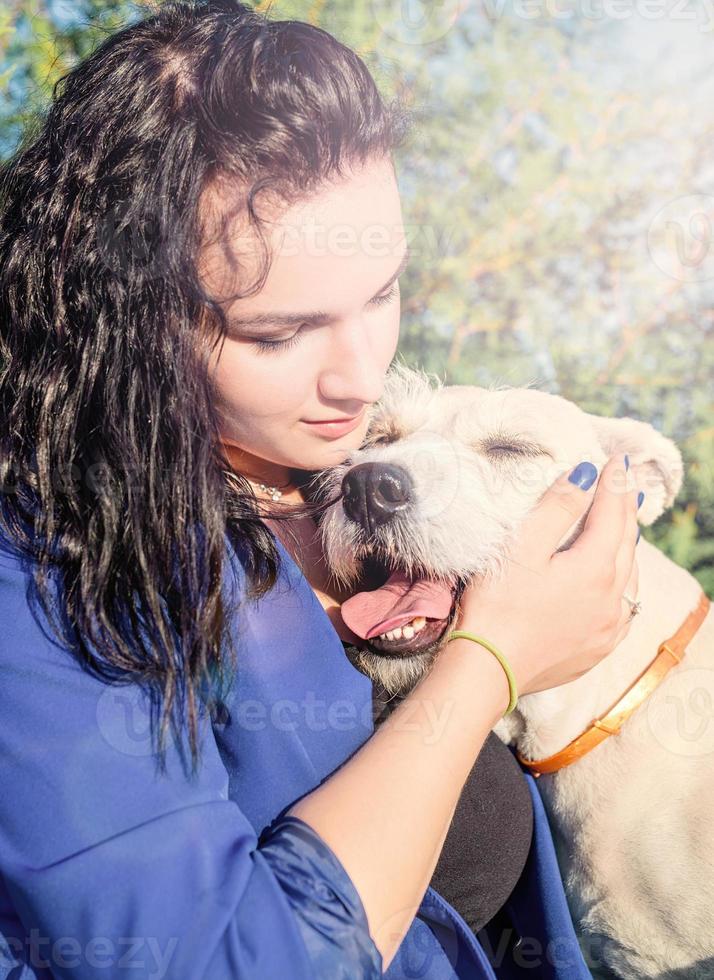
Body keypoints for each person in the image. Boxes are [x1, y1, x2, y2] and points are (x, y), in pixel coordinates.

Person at [0, 1, 640, 977]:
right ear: (125, 317)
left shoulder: (340, 465)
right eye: (276, 333)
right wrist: (487, 666)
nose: (358, 373)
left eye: (381, 290)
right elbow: (224, 960)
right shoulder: (37, 577)